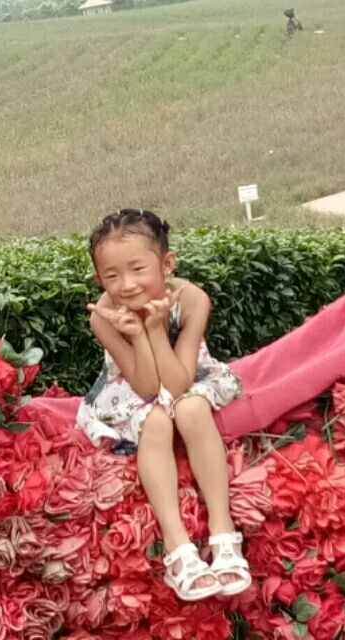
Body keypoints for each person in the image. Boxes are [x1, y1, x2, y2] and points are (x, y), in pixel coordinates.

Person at [77, 208, 251, 602]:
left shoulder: (192, 300)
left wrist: (156, 329)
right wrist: (140, 336)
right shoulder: (104, 316)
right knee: (155, 420)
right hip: (133, 386)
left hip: (186, 374)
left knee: (191, 408)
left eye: (138, 269)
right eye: (111, 275)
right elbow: (145, 387)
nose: (126, 285)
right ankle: (178, 546)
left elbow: (178, 383)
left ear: (167, 263)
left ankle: (223, 532)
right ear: (98, 278)